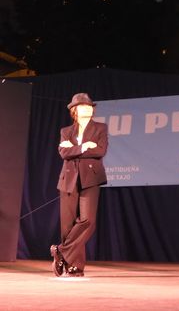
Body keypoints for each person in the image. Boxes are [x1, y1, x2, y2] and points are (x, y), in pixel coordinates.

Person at [50, 92, 108, 277]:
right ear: (74, 110)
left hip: (91, 178)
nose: (88, 109)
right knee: (68, 225)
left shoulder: (100, 128)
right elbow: (63, 153)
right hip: (68, 180)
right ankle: (74, 266)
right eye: (83, 106)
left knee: (87, 221)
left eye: (90, 106)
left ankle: (60, 251)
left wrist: (73, 149)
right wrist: (84, 146)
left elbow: (100, 151)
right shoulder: (66, 131)